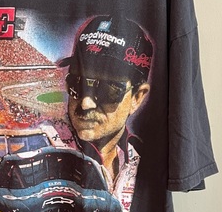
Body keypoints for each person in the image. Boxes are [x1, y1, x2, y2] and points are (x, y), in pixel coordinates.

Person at [57, 15, 153, 193]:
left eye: (107, 90)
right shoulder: (39, 147)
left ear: (137, 98)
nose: (86, 103)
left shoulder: (146, 159)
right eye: (77, 84)